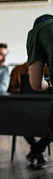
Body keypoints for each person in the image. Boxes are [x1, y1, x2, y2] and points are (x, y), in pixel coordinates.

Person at [26, 14, 53, 167]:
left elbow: (36, 84)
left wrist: (49, 83)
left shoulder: (36, 32)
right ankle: (38, 150)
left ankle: (36, 149)